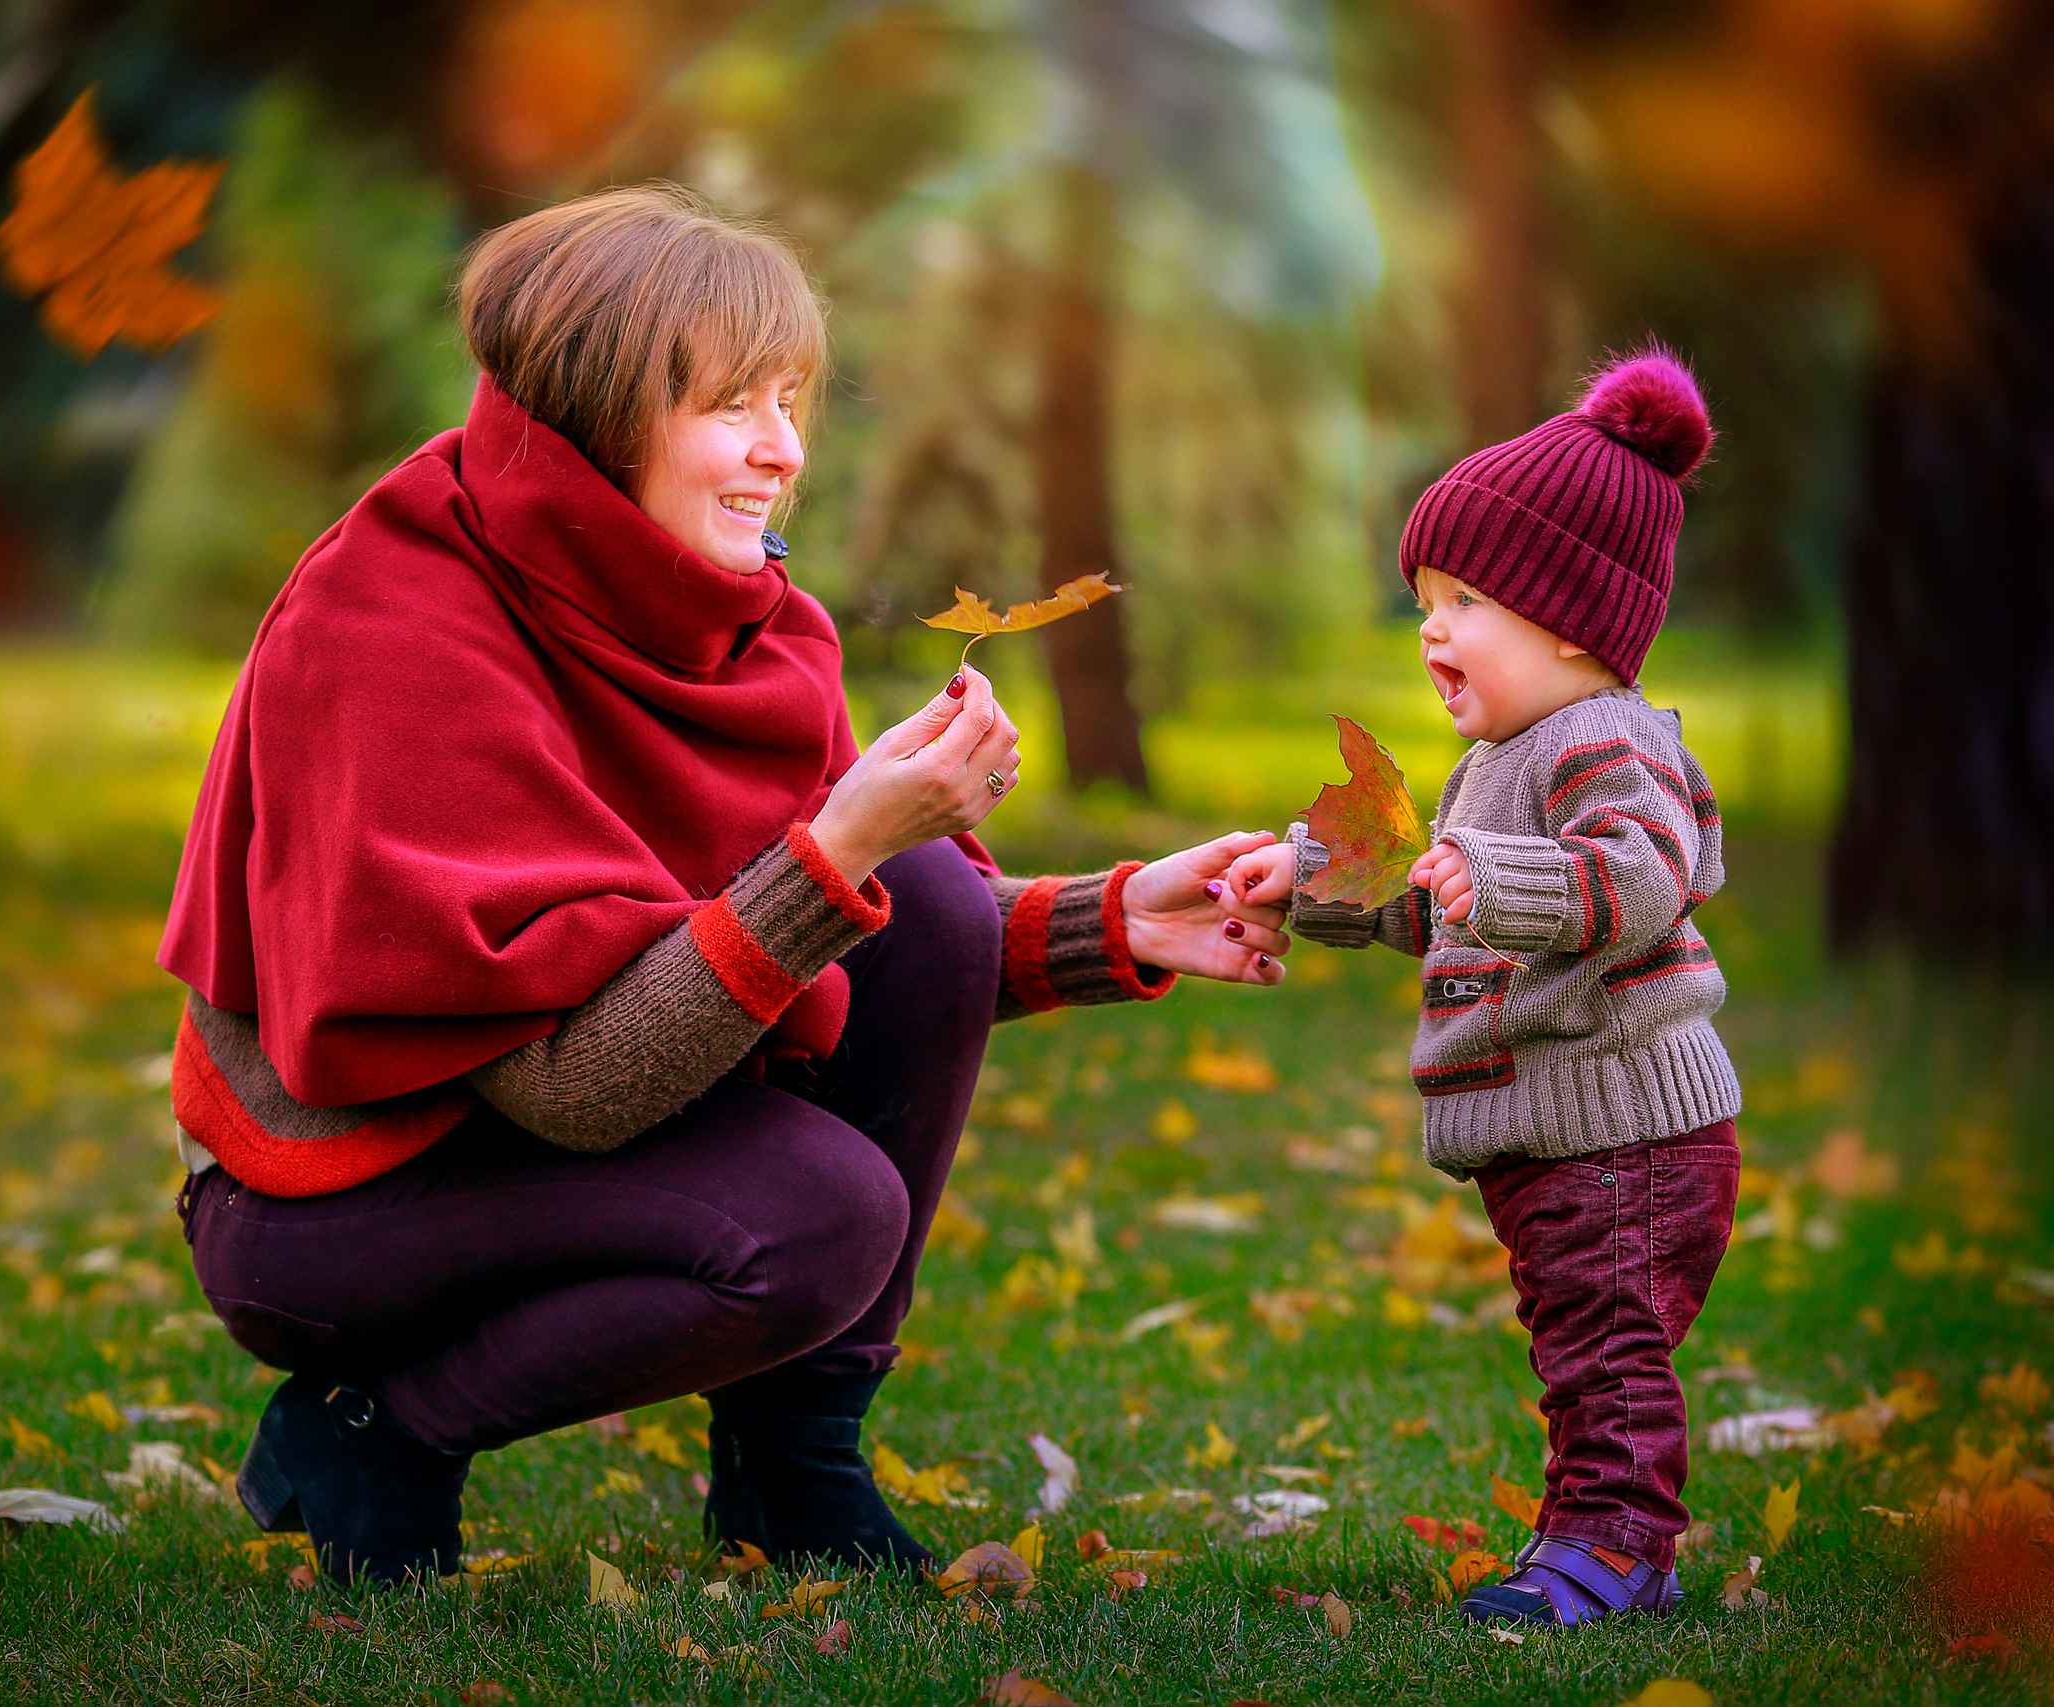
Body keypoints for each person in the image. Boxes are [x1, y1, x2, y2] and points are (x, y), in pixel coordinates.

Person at [157, 184, 1292, 1586]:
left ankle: (791, 1466)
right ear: (594, 419)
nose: (783, 453)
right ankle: (373, 1429)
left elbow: (880, 948)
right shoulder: (394, 626)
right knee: (817, 1214)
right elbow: (566, 1083)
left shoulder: (714, 607)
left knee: (928, 889)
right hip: (335, 1195)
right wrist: (835, 851)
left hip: (529, 1124)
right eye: (732, 409)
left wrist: (1118, 918)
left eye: (792, 400)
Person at [1228, 349, 1741, 1629]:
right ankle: (1613, 1544)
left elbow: (1636, 878)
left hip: (1624, 1125)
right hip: (1556, 1130)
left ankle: (1616, 1549)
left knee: (1608, 1356)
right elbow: (1432, 897)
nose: (1431, 630)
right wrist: (1305, 876)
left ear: (1567, 617)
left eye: (1461, 599)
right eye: (1423, 602)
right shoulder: (1502, 759)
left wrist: (1497, 875)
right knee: (1580, 1348)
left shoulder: (1608, 744)